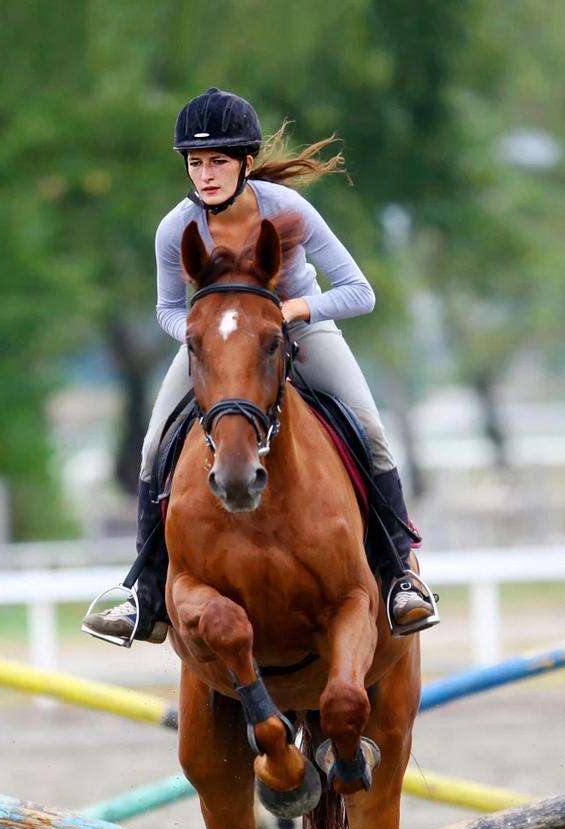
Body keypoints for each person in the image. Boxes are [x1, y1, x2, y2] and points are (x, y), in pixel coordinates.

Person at [82, 87, 439, 646]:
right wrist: (205, 337)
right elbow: (167, 309)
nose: (204, 175)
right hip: (219, 341)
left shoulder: (288, 209)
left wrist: (288, 310)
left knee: (371, 432)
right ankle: (143, 593)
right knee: (154, 444)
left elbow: (359, 291)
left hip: (301, 327)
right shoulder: (175, 228)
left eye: (217, 162)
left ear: (246, 163)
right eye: (195, 163)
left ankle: (399, 579)